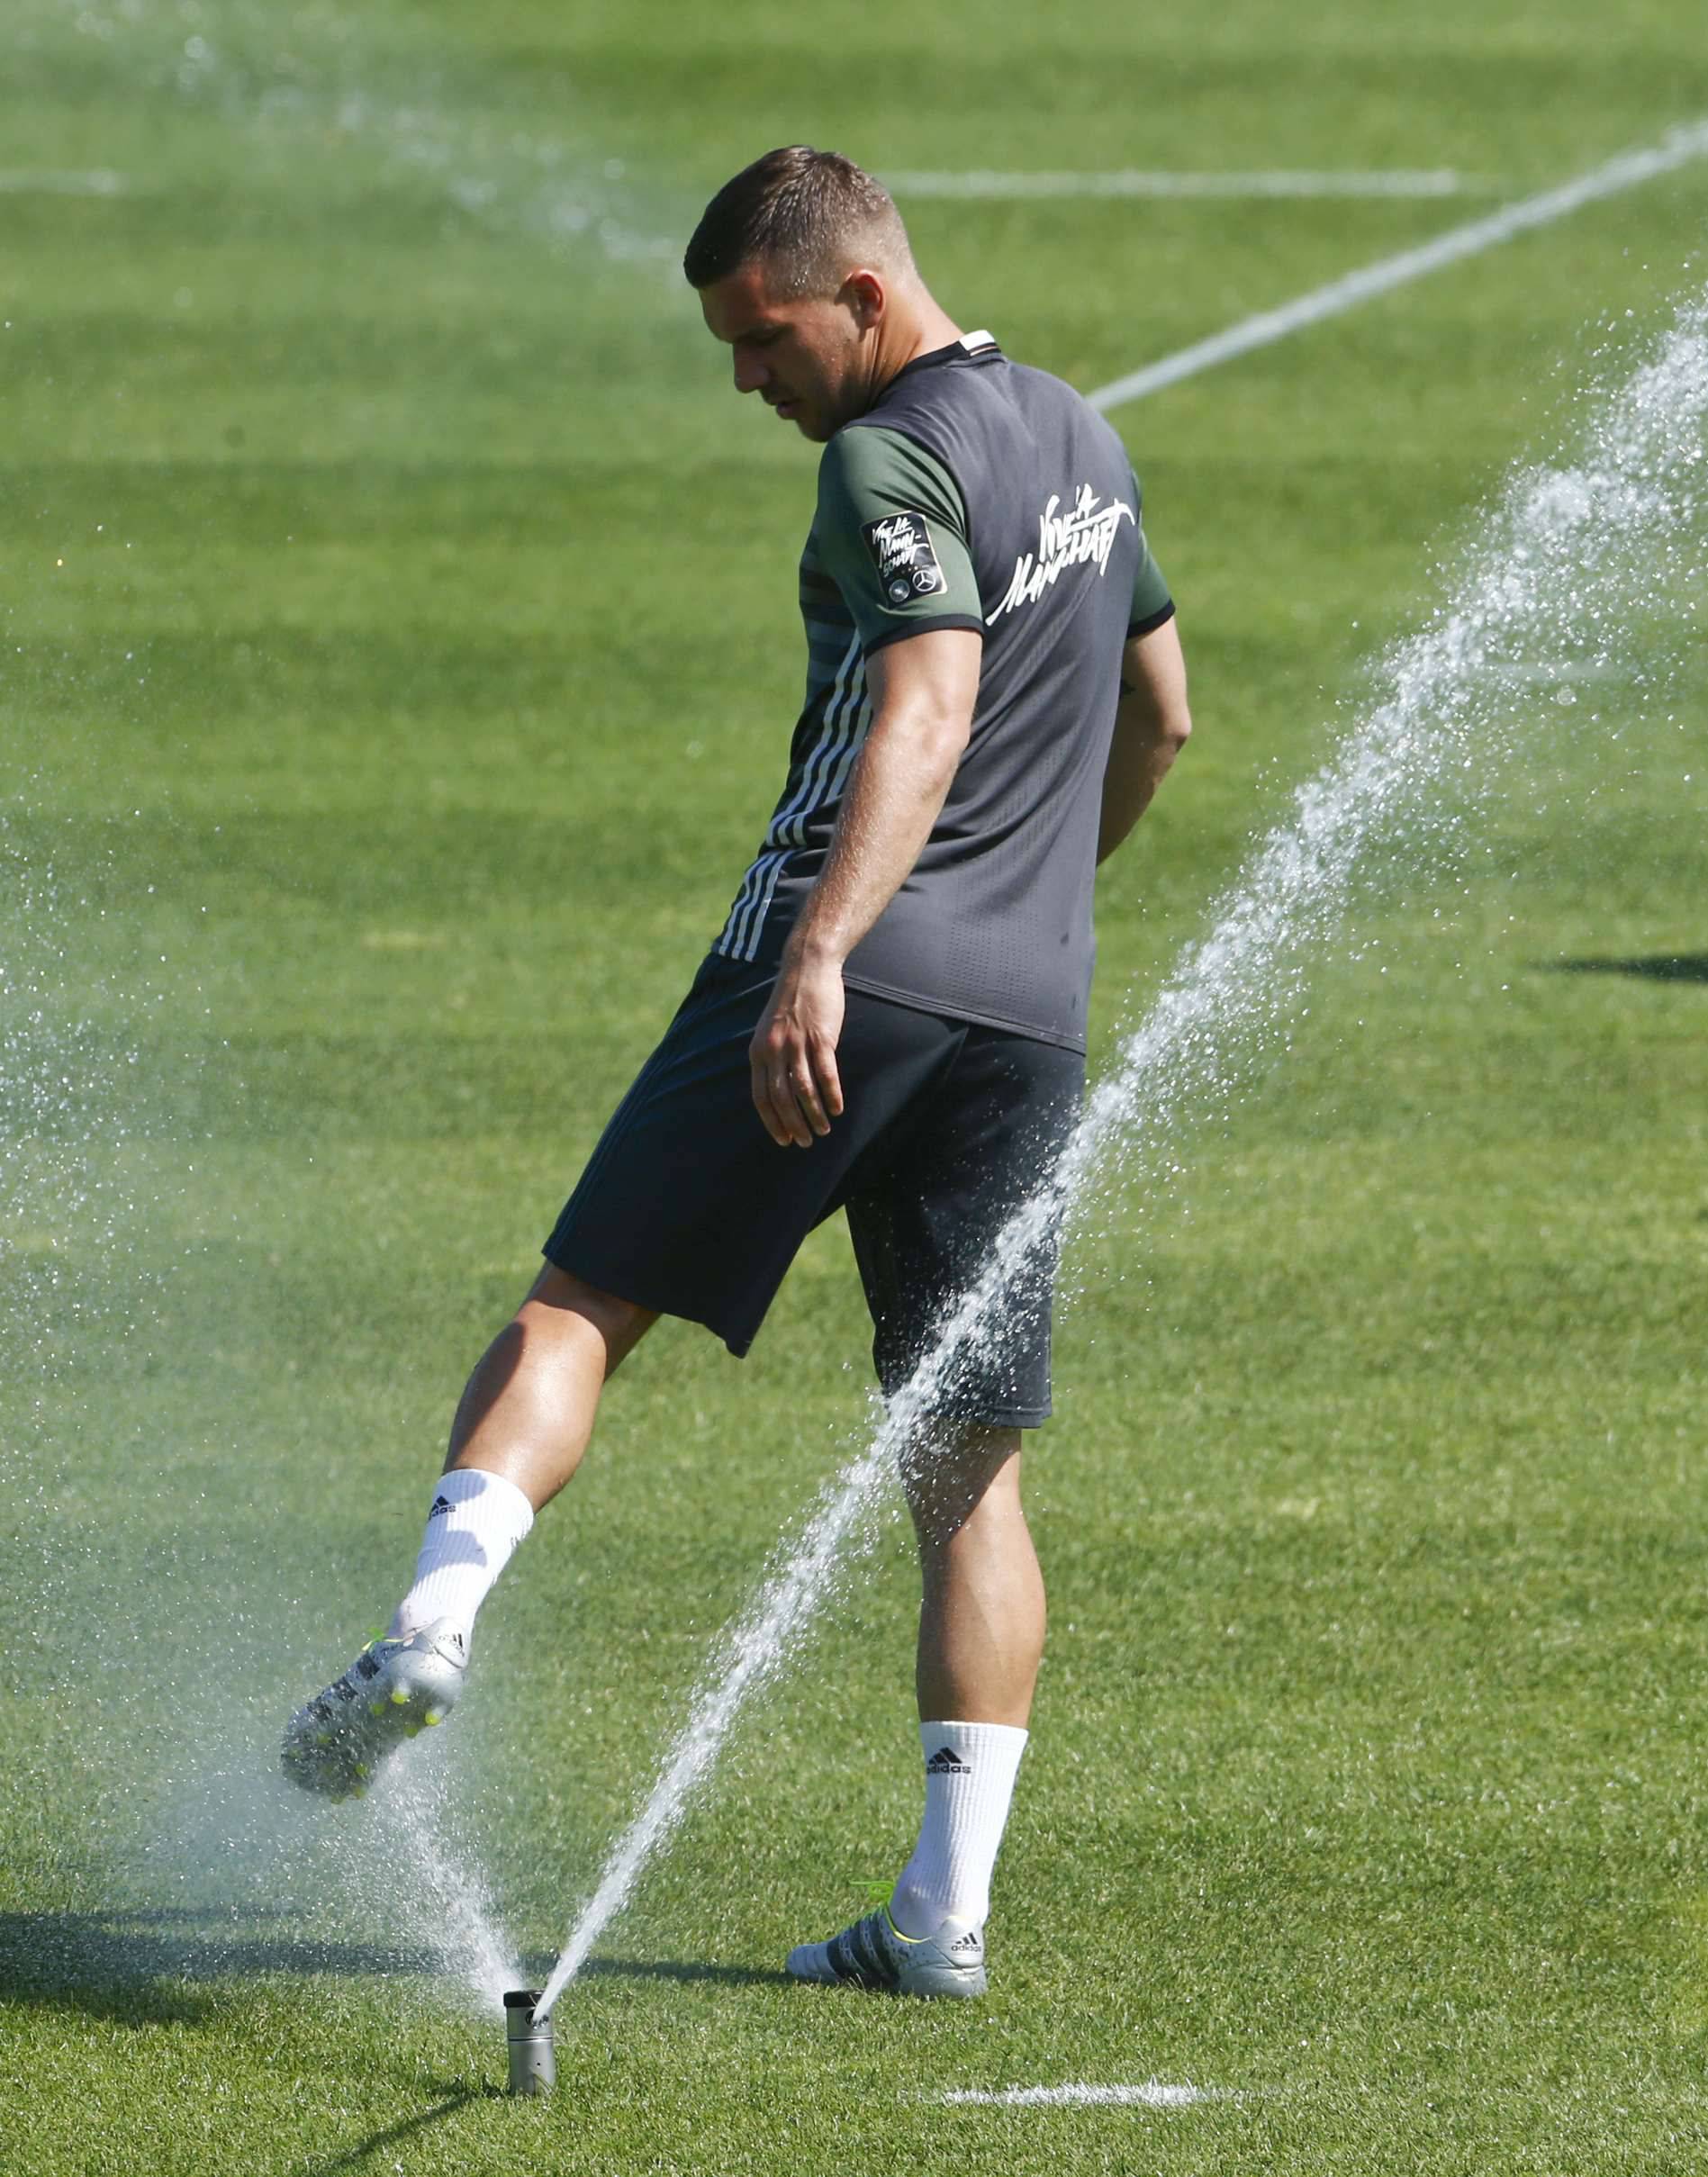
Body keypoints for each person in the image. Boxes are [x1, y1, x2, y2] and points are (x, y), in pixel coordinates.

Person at [283, 147, 1191, 2001]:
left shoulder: (889, 453)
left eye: (762, 340)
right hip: (1027, 1020)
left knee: (582, 1304)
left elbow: (929, 693)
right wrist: (1037, 908)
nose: (748, 385)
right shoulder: (1088, 439)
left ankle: (435, 1628)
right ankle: (945, 1918)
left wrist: (837, 954)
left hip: (835, 975)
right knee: (970, 1472)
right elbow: (1167, 710)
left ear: (859, 298)